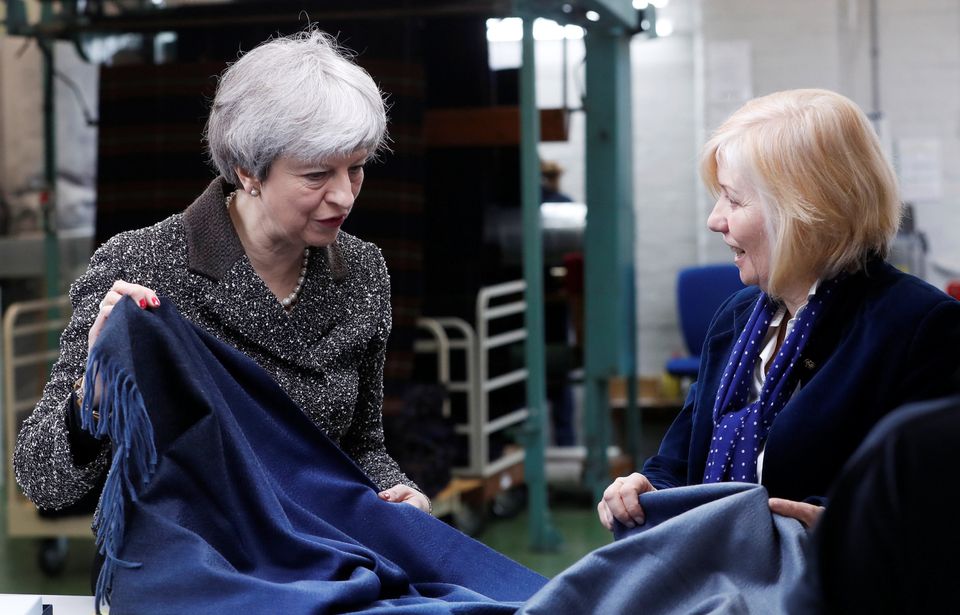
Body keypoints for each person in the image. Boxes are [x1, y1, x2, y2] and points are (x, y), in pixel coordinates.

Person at [14, 28, 430, 519]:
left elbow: (362, 448)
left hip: (321, 551)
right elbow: (42, 481)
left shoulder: (362, 273)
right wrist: (97, 392)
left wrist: (402, 493)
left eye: (356, 168)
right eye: (317, 175)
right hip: (195, 566)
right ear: (247, 170)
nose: (344, 196)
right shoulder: (142, 268)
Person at [598, 88, 960, 531]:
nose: (715, 219)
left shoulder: (919, 328)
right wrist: (645, 488)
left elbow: (934, 505)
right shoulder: (737, 317)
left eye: (733, 199)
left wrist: (842, 527)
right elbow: (679, 458)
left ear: (805, 213)